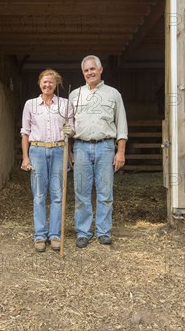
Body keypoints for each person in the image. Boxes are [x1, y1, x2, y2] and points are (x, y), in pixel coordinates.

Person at [68, 55, 128, 248]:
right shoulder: (75, 95)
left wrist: (120, 152)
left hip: (106, 146)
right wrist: (69, 151)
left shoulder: (113, 94)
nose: (89, 73)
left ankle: (103, 231)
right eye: (86, 70)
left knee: (105, 192)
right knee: (81, 192)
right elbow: (69, 125)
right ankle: (83, 232)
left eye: (93, 69)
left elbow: (122, 125)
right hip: (81, 147)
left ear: (101, 70)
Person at [20, 69, 74, 252]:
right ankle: (40, 236)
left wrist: (70, 131)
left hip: (59, 150)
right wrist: (26, 157)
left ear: (56, 84)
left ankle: (55, 235)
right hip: (37, 150)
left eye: (51, 82)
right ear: (39, 84)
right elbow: (25, 132)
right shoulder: (30, 105)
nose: (47, 85)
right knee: (39, 195)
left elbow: (72, 129)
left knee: (58, 195)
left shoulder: (65, 104)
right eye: (44, 82)